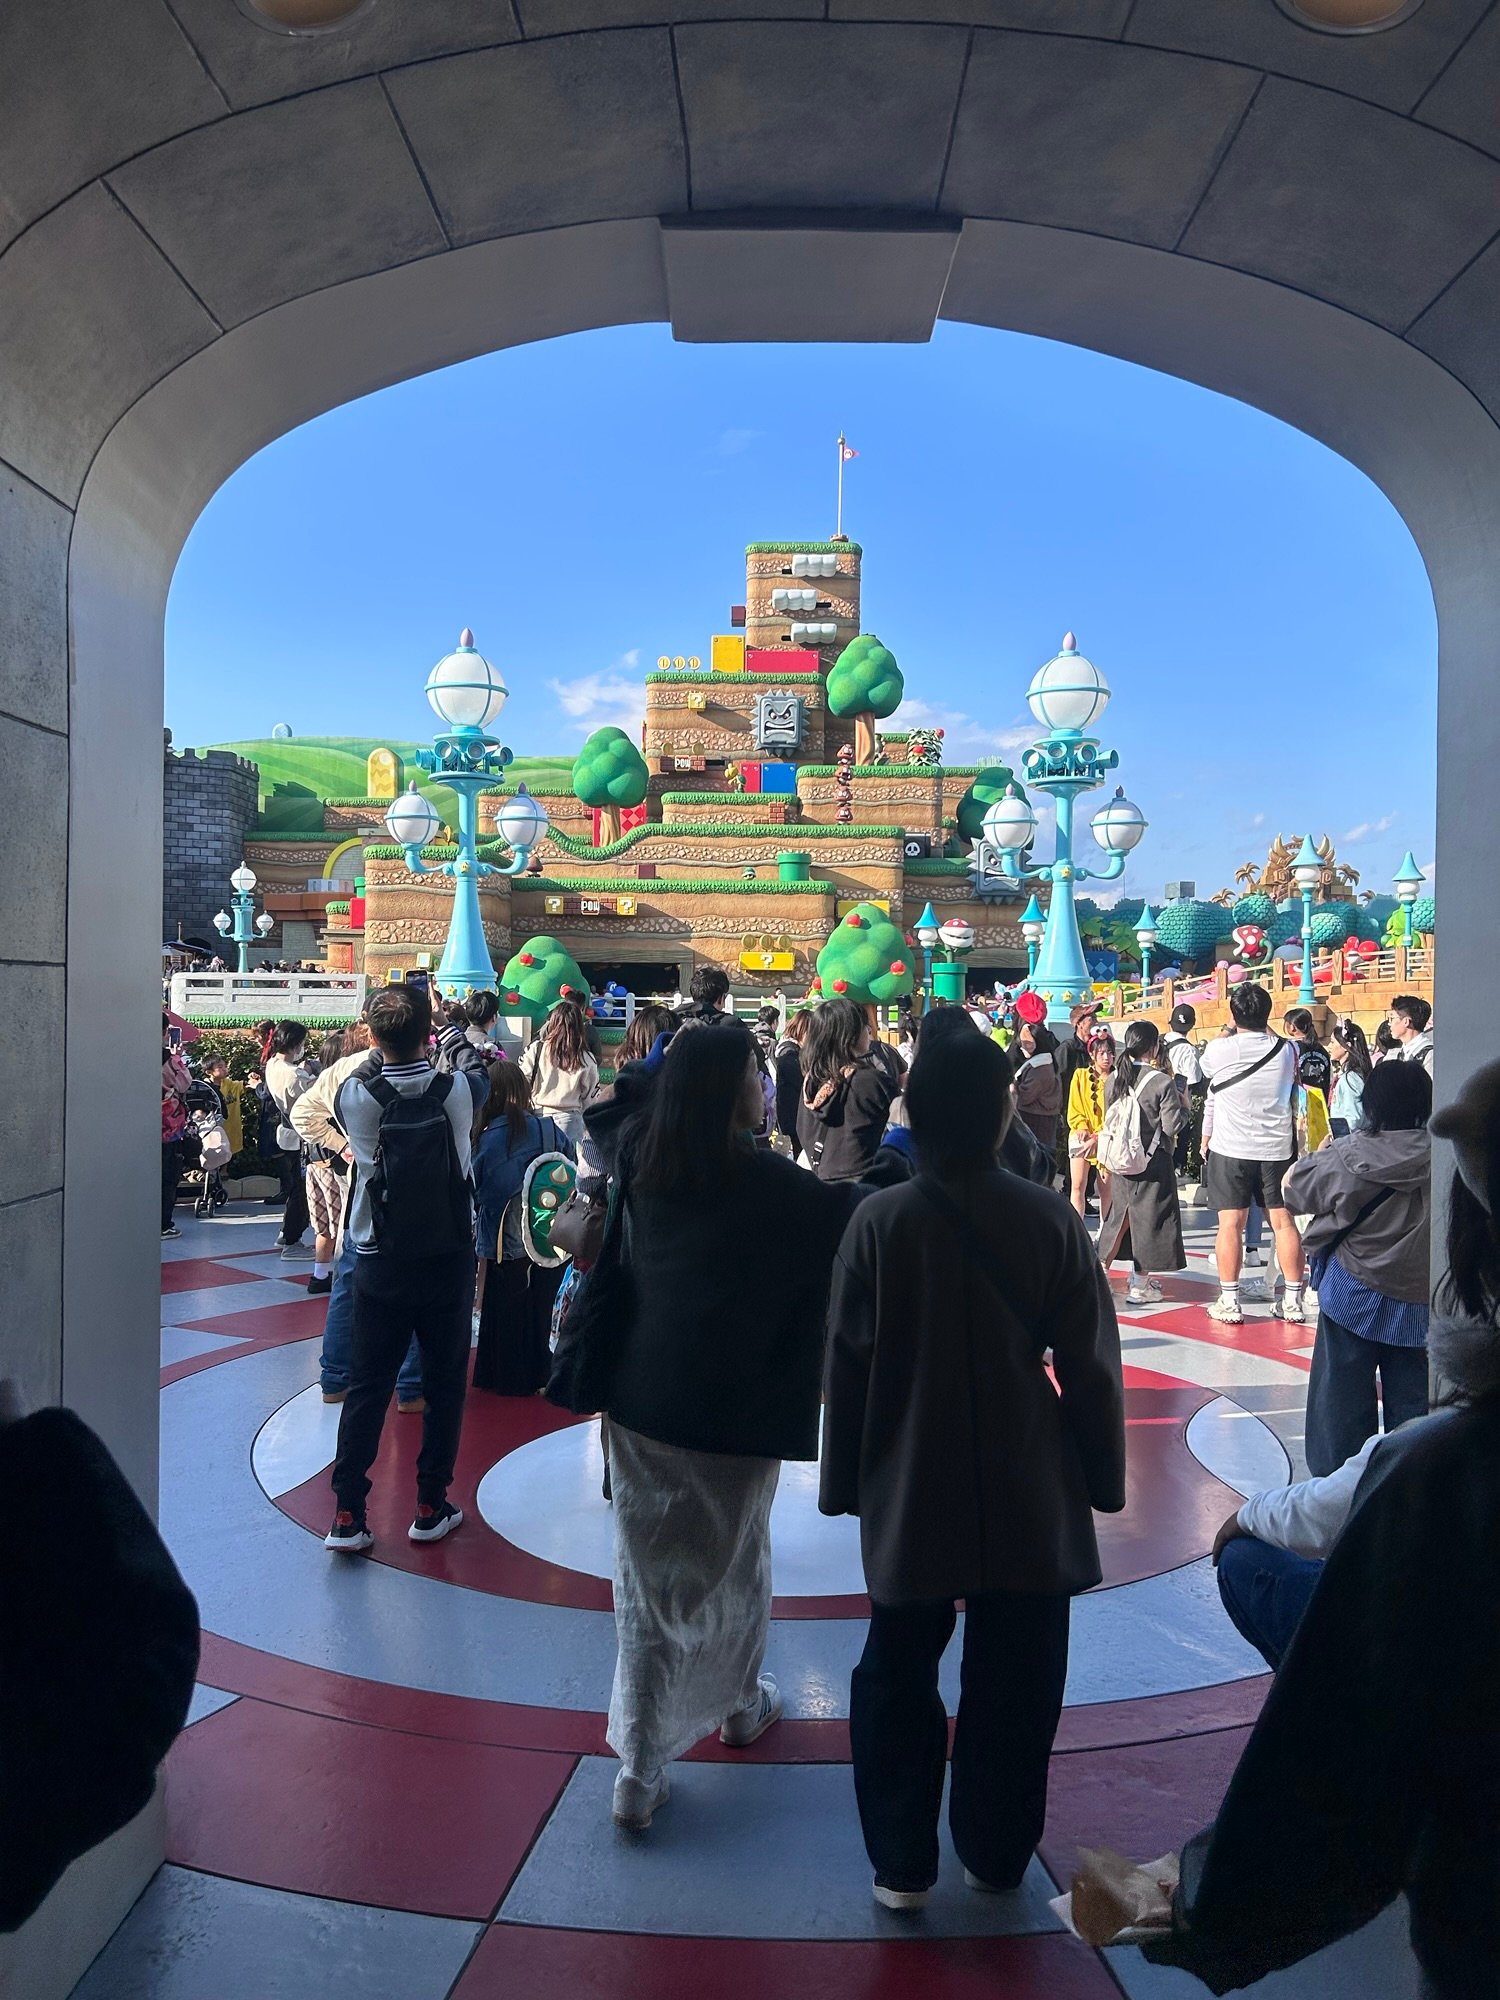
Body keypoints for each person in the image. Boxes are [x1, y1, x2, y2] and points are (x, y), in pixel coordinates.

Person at [1142, 1057, 1500, 2000]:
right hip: (1409, 1318)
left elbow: (1301, 1191)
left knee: (1347, 1437)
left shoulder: (1442, 1469)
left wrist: (1214, 1907)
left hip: (1476, 1879)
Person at [821, 1030, 1125, 1911]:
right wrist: (1100, 1478)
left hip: (913, 1466)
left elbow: (845, 1362)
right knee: (1021, 1670)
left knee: (897, 1661)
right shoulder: (1050, 1219)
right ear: (1001, 1115)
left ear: (914, 1114)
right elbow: (1093, 1367)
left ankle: (899, 1863)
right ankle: (995, 1849)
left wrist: (845, 1480)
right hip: (1027, 1471)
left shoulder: (878, 1222)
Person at [596, 1022, 872, 1829]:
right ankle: (740, 1704)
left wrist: (675, 1067)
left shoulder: (641, 1165)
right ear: (731, 1091)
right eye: (756, 1072)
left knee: (646, 1589)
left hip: (642, 1402)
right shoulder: (776, 1188)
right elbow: (857, 1212)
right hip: (738, 1411)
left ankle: (640, 1771)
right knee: (738, 1561)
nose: (767, 1085)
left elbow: (618, 1103)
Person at [323, 985, 487, 1553]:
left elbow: (366, 1073)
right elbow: (474, 1071)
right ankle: (429, 1503)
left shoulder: (356, 1094)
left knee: (368, 1386)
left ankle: (348, 1512)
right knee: (445, 1385)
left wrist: (383, 1044)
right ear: (427, 1033)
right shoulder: (458, 1091)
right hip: (447, 1256)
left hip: (378, 1256)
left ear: (371, 1034)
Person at [1286, 1060, 1432, 1474]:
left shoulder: (1348, 1154)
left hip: (1353, 1292)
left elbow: (1294, 1193)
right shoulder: (1446, 1153)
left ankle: (1338, 1491)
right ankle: (1410, 1488)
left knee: (1340, 1406)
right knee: (1416, 1407)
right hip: (1421, 1300)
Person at [290, 1018, 424, 1410]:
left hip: (362, 1198)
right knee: (414, 1288)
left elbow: (302, 1114)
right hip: (416, 1201)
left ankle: (335, 1379)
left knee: (348, 1285)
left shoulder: (346, 1070)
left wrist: (343, 1144)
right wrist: (342, 1143)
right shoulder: (430, 1072)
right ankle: (411, 1387)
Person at [1199, 982, 1306, 1326]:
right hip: (1276, 1149)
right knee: (1283, 1222)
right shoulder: (1287, 1050)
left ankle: (1230, 1300)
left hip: (1230, 1148)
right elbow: (1280, 1047)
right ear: (1268, 1013)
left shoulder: (1219, 1050)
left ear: (1233, 1014)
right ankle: (1292, 1300)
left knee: (1230, 1223)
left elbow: (1207, 1070)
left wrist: (1230, 1028)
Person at [472, 1063, 573, 1395]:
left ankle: (505, 1378)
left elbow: (480, 1191)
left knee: (505, 1312)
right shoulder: (548, 1129)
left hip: (504, 1242)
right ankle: (544, 1373)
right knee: (542, 1309)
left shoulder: (488, 1139)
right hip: (549, 1238)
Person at [1095, 1020, 1186, 1308]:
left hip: (1120, 1158)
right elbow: (1172, 1126)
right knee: (1150, 1220)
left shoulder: (1114, 1078)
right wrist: (1185, 1104)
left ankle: (1099, 1274)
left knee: (1119, 1217)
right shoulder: (1162, 1082)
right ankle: (1139, 1284)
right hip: (1152, 1161)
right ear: (1154, 1046)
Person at [798, 996, 897, 1180]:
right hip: (865, 1186)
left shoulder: (811, 1082)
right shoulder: (870, 1081)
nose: (868, 1030)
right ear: (849, 1035)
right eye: (864, 1026)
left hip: (820, 1181)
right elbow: (903, 1125)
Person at [302, 1030, 348, 1297]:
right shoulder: (338, 1087)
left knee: (322, 1223)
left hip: (314, 1162)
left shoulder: (313, 1085)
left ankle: (319, 1275)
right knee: (341, 1224)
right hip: (335, 1163)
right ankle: (340, 1274)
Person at [264, 1021, 314, 1261]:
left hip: (285, 1133)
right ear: (295, 1044)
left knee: (294, 1186)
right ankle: (292, 1241)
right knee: (300, 1192)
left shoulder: (273, 1064)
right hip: (300, 1136)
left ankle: (287, 1233)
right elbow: (314, 1099)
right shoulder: (295, 1075)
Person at [521, 998, 599, 1151]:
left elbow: (523, 1080)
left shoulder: (536, 1049)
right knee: (568, 1170)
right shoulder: (586, 1058)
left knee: (538, 1169)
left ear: (553, 1022)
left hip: (538, 1119)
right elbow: (591, 1098)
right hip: (571, 1121)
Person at [1065, 1027, 1115, 1221]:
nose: (1106, 1057)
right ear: (1092, 1054)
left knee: (1105, 1189)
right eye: (1101, 1052)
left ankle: (1106, 1233)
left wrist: (1098, 1136)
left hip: (1106, 1137)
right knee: (1077, 1185)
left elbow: (1116, 1115)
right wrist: (1081, 1126)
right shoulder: (1081, 1075)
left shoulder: (1117, 1079)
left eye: (1110, 1052)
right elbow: (1074, 1104)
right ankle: (1076, 1229)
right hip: (1082, 1135)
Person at [1162, 1002, 1205, 1179]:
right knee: (1181, 1133)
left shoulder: (1159, 1040)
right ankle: (1178, 1167)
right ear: (1192, 1025)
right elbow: (1194, 1080)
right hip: (1177, 1098)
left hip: (1155, 1095)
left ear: (1169, 1022)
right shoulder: (1188, 1050)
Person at [1012, 1020, 1062, 1158]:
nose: (1023, 1047)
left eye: (1028, 1043)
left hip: (1037, 1118)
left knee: (1036, 1158)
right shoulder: (1041, 1063)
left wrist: (1014, 1087)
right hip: (1040, 1116)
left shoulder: (1040, 1067)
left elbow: (1026, 1095)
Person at [161, 1017, 191, 1241]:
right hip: (167, 1128)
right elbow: (184, 1084)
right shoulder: (170, 1061)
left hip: (133, 1127)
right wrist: (178, 1057)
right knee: (167, 1177)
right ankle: (163, 1224)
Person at [1328, 1015, 1372, 1138]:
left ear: (1346, 1046)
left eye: (1333, 1042)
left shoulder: (1351, 1078)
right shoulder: (1348, 1075)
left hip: (1350, 1141)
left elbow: (1353, 1119)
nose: (1330, 1046)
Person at [773, 1007, 810, 1153]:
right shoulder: (789, 1053)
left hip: (791, 1116)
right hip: (793, 1118)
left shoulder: (790, 1050)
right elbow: (801, 1082)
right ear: (802, 1030)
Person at [1282, 1007, 1333, 1097]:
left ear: (1292, 1027)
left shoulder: (1291, 1048)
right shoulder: (1322, 1049)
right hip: (1320, 1102)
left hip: (1300, 1103)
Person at [1388, 993, 1434, 1074]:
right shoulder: (1398, 1053)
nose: (1389, 1023)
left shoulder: (1429, 1055)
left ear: (1406, 1021)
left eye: (1392, 1018)